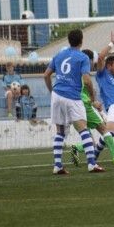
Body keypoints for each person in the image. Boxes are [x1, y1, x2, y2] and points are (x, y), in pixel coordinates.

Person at [43, 29, 104, 175]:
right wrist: (93, 97)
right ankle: (91, 164)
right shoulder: (82, 57)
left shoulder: (59, 54)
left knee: (61, 131)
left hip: (57, 95)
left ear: (68, 40)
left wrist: (52, 91)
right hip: (72, 96)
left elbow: (46, 75)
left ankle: (57, 165)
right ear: (81, 40)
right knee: (83, 129)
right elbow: (87, 80)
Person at [69, 46, 114, 167]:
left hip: (72, 106)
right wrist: (94, 101)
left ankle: (75, 148)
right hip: (84, 105)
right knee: (105, 130)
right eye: (91, 60)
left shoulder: (72, 71)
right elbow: (88, 86)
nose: (92, 63)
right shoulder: (84, 72)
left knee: (90, 142)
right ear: (87, 60)